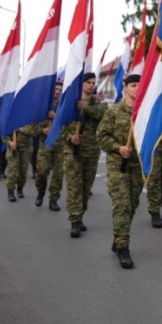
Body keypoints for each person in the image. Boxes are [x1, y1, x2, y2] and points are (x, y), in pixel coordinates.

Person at [96, 73, 143, 268]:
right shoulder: (114, 111)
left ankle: (119, 235)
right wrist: (118, 148)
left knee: (132, 203)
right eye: (133, 85)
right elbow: (101, 136)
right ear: (125, 88)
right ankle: (123, 247)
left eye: (139, 85)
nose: (136, 88)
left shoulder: (145, 113)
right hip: (117, 164)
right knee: (122, 204)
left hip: (137, 165)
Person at [64, 72, 106, 238]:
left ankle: (80, 215)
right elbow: (61, 127)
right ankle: (74, 221)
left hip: (91, 152)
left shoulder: (99, 104)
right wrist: (70, 137)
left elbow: (102, 115)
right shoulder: (70, 104)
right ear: (81, 84)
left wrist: (85, 108)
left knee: (86, 188)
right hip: (72, 152)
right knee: (74, 187)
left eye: (93, 83)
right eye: (88, 82)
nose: (91, 85)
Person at [35, 80, 65, 209]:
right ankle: (40, 192)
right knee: (42, 171)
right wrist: (42, 130)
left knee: (58, 174)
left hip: (61, 143)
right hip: (46, 143)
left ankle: (53, 199)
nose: (58, 92)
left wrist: (56, 116)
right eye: (56, 89)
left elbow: (70, 121)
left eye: (60, 90)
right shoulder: (41, 105)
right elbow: (30, 125)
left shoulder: (65, 105)